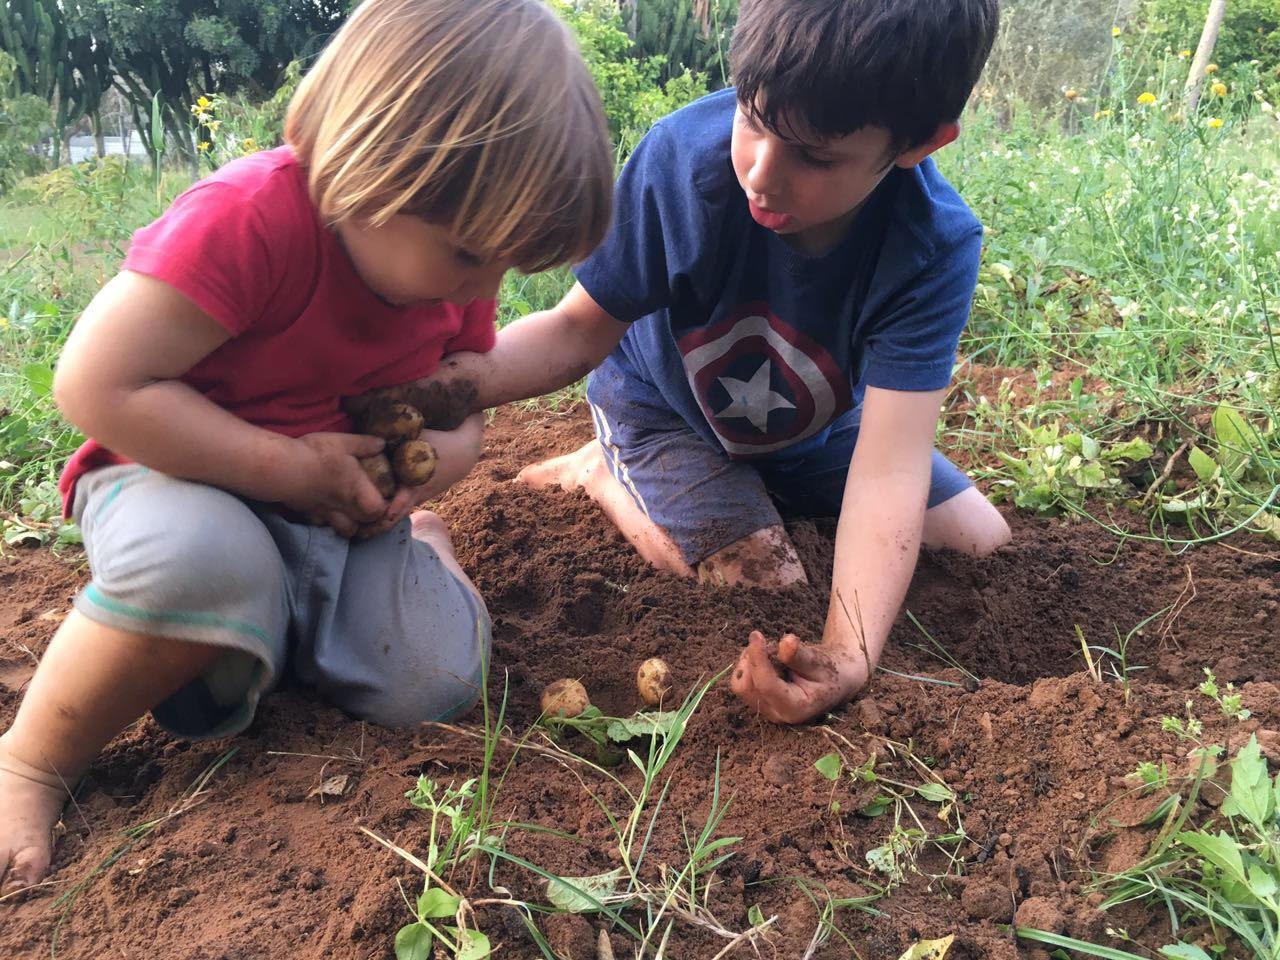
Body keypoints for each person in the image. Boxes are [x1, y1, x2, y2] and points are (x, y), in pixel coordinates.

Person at [0, 0, 612, 897]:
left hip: (340, 523)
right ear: (373, 169)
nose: (487, 289)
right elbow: (96, 386)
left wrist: (423, 475)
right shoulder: (249, 220)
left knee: (436, 683)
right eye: (471, 256)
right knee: (209, 562)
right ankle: (33, 761)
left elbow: (459, 409)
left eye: (508, 269)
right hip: (174, 481)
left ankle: (407, 558)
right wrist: (287, 468)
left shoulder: (447, 280)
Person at [396, 0, 1010, 725]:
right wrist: (441, 383)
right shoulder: (681, 161)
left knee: (979, 542)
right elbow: (575, 330)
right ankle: (607, 471)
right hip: (662, 412)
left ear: (919, 142)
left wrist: (850, 654)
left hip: (809, 434)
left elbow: (890, 465)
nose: (761, 171)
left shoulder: (932, 246)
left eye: (814, 155)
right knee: (768, 584)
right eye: (753, 118)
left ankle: (739, 489)